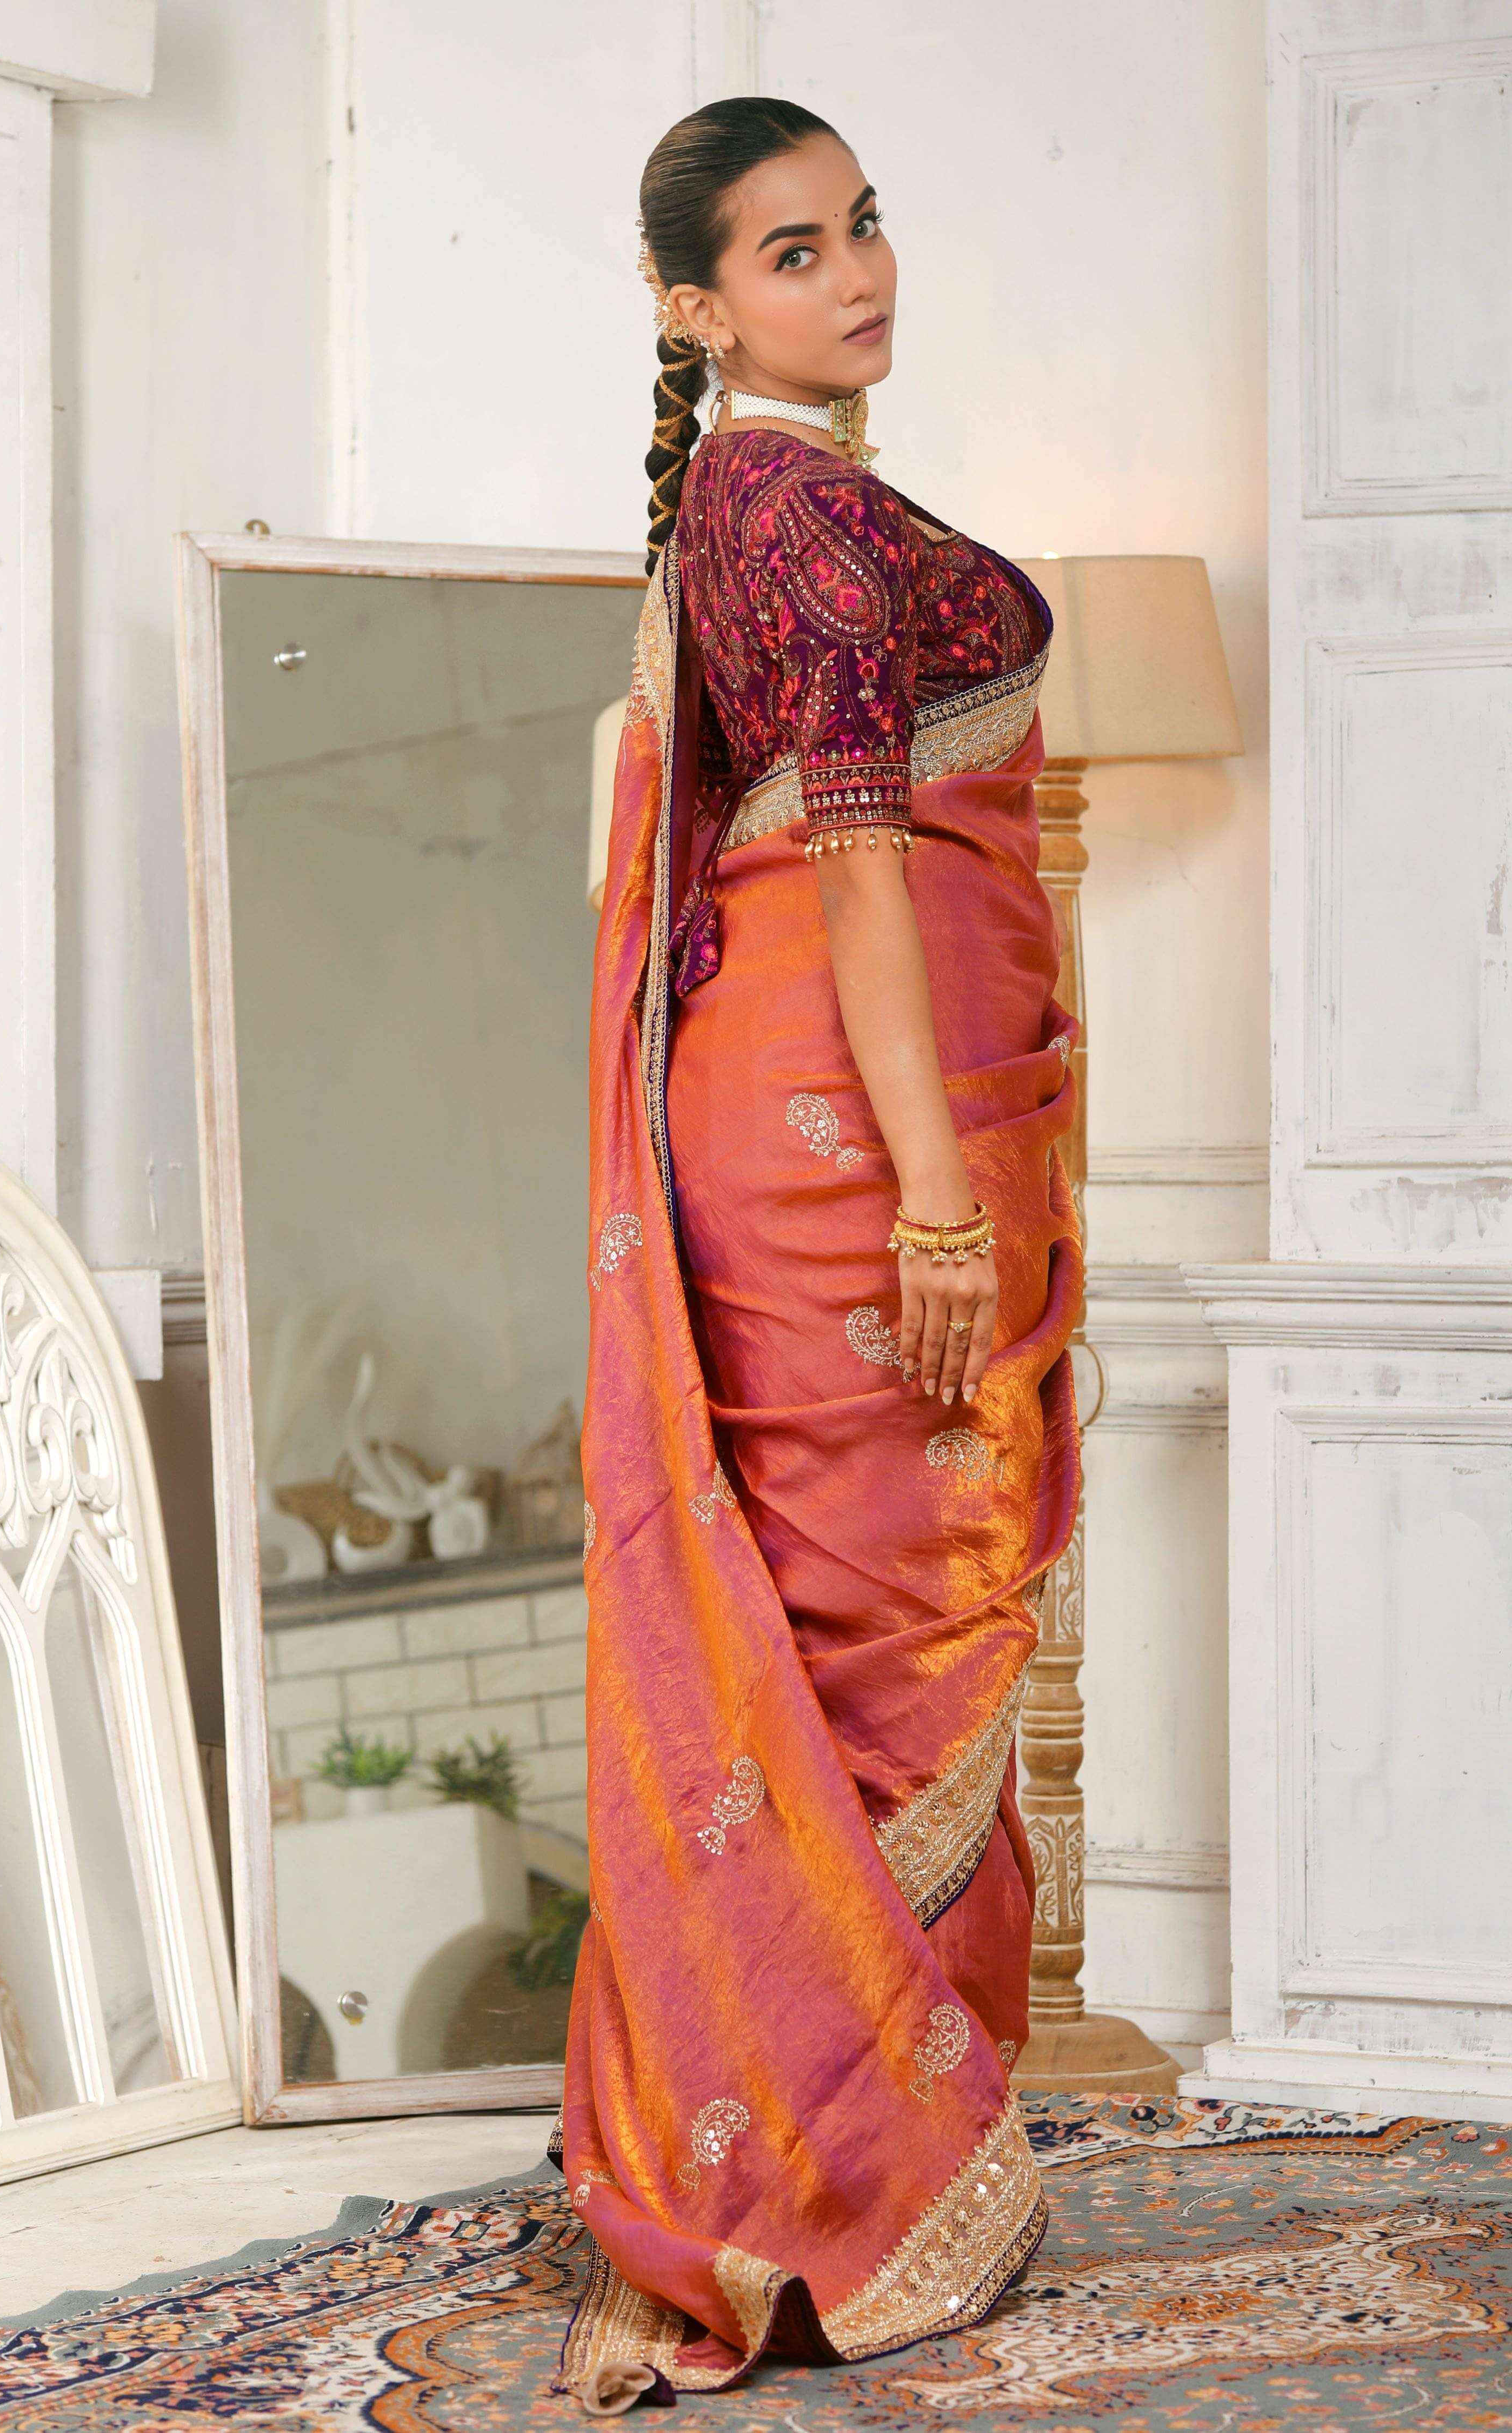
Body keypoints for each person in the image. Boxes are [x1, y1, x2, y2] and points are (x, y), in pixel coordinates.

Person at [557, 95, 1082, 2407]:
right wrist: (944, 1193)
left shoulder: (769, 503)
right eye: (792, 252)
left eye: (865, 226)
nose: (858, 273)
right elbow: (863, 869)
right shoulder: (792, 511)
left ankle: (843, 2141)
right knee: (893, 1622)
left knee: (865, 1630)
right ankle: (826, 2185)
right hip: (861, 1144)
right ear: (696, 308)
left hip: (825, 1112)